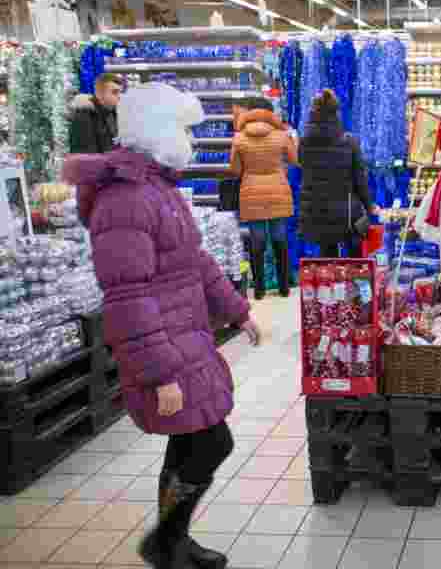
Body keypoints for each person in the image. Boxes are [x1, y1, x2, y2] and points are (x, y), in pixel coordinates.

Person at [62, 83, 262, 569]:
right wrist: (160, 372)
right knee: (212, 441)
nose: (189, 140)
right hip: (167, 347)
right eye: (181, 129)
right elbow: (127, 296)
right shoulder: (126, 200)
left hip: (184, 336)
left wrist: (238, 310)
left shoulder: (156, 187)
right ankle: (167, 541)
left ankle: (171, 543)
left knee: (194, 440)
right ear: (156, 130)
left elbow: (193, 260)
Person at [229, 98, 297, 300]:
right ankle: (284, 287)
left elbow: (235, 170)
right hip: (278, 189)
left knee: (257, 241)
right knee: (279, 238)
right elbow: (294, 160)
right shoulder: (281, 135)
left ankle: (259, 289)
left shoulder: (239, 138)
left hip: (251, 192)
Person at [299, 89, 378, 258]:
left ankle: (329, 284)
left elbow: (305, 173)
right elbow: (360, 180)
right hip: (346, 212)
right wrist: (369, 207)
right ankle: (355, 283)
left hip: (317, 211)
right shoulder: (349, 142)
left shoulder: (304, 142)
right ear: (336, 112)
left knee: (327, 260)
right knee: (355, 260)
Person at [69, 72, 123, 154]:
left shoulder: (114, 112)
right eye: (114, 92)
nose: (119, 96)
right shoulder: (84, 116)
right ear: (100, 94)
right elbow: (86, 155)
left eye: (120, 92)